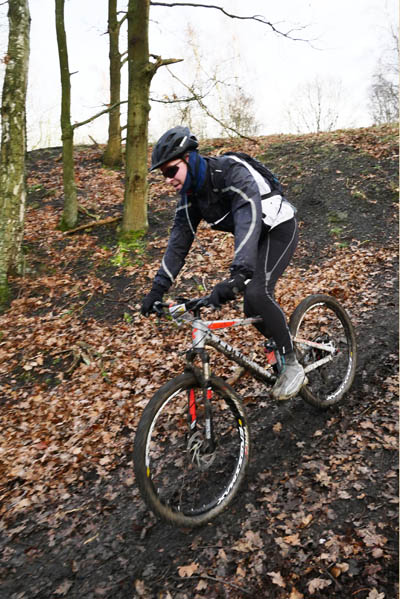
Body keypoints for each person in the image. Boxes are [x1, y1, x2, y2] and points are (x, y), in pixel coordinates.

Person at [141, 126, 305, 400]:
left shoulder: (230, 173)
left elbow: (246, 218)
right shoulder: (191, 197)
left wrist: (239, 273)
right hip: (255, 236)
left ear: (189, 159)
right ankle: (284, 341)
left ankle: (292, 363)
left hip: (278, 228)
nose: (168, 180)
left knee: (257, 293)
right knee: (250, 307)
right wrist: (157, 289)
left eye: (171, 170)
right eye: (163, 175)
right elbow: (178, 242)